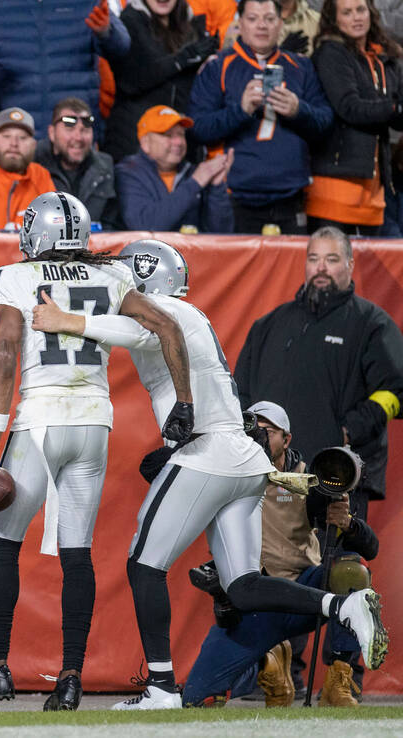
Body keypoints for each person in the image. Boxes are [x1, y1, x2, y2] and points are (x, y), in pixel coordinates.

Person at [28, 238, 389, 710]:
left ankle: (160, 687)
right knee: (242, 585)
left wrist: (67, 321)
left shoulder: (159, 310)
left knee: (143, 563)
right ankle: (342, 606)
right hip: (242, 459)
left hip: (208, 452)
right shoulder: (192, 314)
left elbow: (137, 331)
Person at [0, 193, 194, 712]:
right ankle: (69, 679)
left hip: (40, 421)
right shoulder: (112, 276)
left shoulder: (15, 278)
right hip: (93, 423)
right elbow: (167, 327)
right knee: (77, 555)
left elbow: (4, 353)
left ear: (37, 234)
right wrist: (184, 402)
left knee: (5, 545)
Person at [182, 401, 379, 708]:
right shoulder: (223, 477)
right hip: (255, 604)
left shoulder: (307, 480)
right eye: (251, 430)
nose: (257, 437)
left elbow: (370, 549)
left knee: (352, 571)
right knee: (197, 698)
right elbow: (147, 468)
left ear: (287, 439)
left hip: (306, 591)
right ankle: (271, 666)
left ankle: (339, 678)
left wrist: (348, 523)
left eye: (267, 431)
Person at [235, 226, 403, 523]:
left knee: (331, 567)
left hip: (334, 477)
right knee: (260, 566)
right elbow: (242, 392)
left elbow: (395, 390)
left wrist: (347, 431)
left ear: (350, 265)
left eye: (332, 259)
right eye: (314, 259)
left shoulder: (371, 324)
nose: (321, 268)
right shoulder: (268, 325)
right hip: (267, 477)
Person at [188, 0, 332, 235]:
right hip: (234, 196)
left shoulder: (302, 66)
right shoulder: (217, 67)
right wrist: (240, 110)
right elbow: (198, 129)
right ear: (240, 23)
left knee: (290, 272)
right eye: (253, 19)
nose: (261, 26)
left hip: (290, 196)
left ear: (280, 24)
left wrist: (299, 110)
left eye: (269, 19)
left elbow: (325, 124)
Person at [305, 0, 403, 236]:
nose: (356, 17)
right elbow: (350, 107)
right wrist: (395, 109)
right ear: (334, 19)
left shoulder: (383, 58)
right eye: (347, 13)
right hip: (334, 191)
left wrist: (397, 110)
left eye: (360, 10)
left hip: (374, 193)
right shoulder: (330, 53)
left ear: (371, 13)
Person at [0, 0, 130, 135]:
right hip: (15, 134)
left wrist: (106, 32)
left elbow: (122, 48)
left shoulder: (87, 2)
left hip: (74, 135)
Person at [105, 0, 216, 163]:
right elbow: (131, 81)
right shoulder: (129, 21)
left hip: (180, 143)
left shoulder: (191, 22)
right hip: (134, 142)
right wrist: (181, 60)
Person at [116, 105, 234, 232]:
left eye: (181, 134)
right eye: (168, 135)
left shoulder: (193, 173)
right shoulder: (128, 173)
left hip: (190, 252)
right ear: (146, 143)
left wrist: (217, 188)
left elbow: (221, 234)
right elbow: (144, 225)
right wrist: (194, 183)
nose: (178, 142)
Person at [34, 97, 119, 230]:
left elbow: (111, 224)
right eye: (70, 129)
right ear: (52, 133)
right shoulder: (33, 164)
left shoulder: (105, 167)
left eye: (84, 130)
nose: (78, 137)